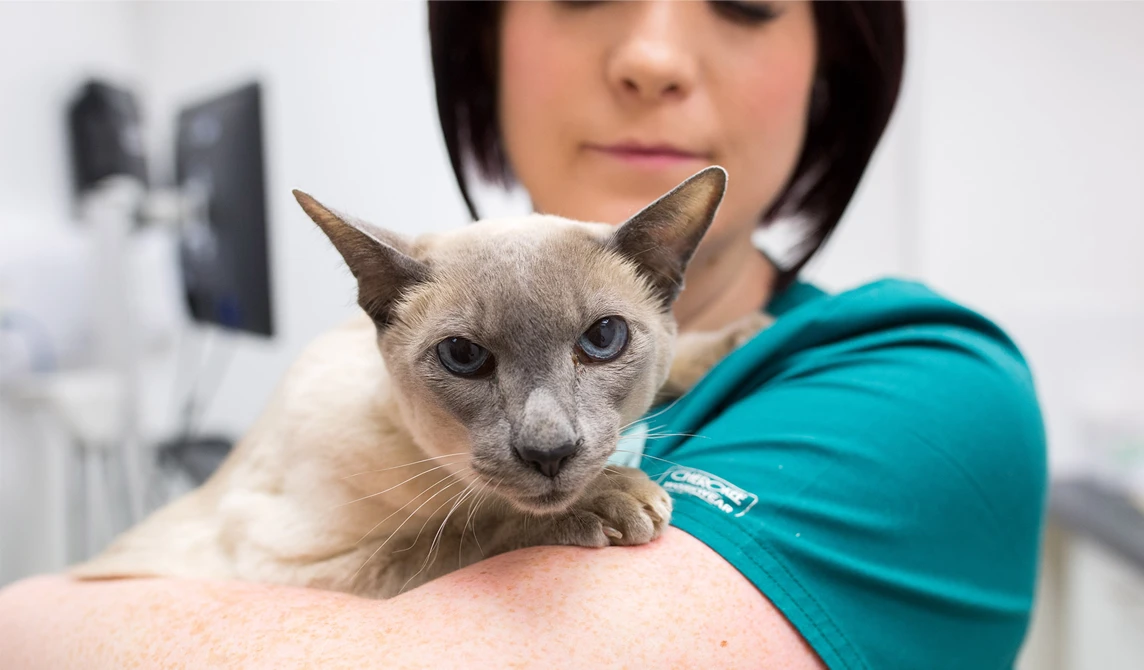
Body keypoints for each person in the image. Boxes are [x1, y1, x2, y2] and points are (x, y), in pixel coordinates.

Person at [0, 2, 1046, 668]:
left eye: (743, 1)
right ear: (480, 43)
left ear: (835, 66)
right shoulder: (353, 390)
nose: (650, 56)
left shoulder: (919, 381)